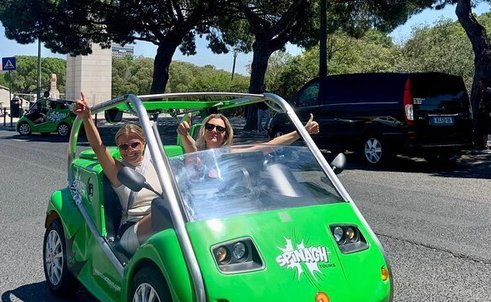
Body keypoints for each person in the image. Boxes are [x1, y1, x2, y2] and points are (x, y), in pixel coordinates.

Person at [73, 92, 161, 254]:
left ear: (144, 143)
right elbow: (99, 148)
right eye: (123, 147)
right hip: (133, 230)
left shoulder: (158, 164)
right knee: (163, 211)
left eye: (134, 144)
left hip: (165, 222)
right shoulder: (119, 170)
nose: (130, 151)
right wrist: (87, 118)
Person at [177, 112, 319, 154]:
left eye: (220, 129)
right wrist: (184, 134)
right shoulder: (197, 152)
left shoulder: (229, 153)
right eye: (210, 127)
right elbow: (192, 152)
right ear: (204, 129)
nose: (214, 131)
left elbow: (268, 145)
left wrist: (302, 132)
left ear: (226, 135)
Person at [478, 78, 491, 150]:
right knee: (484, 129)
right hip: (484, 114)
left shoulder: (489, 91)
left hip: (489, 113)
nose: (479, 84)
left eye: (480, 83)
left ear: (483, 83)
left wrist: (486, 105)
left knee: (490, 129)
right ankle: (485, 145)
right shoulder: (483, 91)